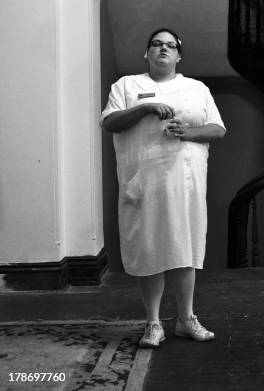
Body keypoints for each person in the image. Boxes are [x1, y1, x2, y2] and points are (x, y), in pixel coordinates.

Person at [100, 28, 226, 348]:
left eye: (171, 46)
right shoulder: (127, 85)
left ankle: (186, 319)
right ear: (147, 53)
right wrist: (145, 108)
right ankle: (153, 323)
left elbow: (217, 129)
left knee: (185, 248)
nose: (163, 49)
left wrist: (187, 132)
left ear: (179, 56)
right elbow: (109, 122)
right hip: (144, 181)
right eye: (156, 44)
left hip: (185, 181)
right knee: (150, 248)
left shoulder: (196, 88)